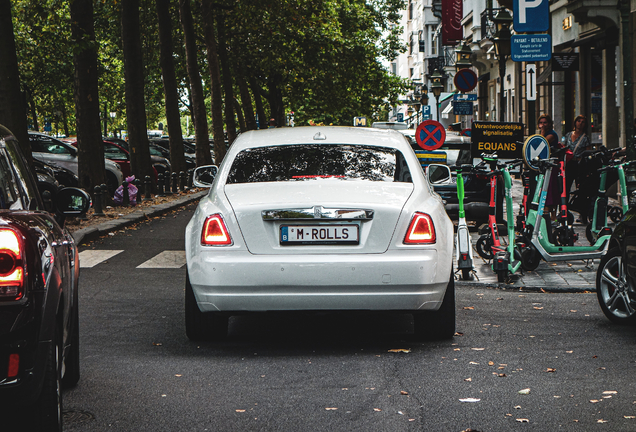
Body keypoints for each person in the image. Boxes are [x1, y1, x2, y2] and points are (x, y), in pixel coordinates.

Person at [564, 115, 592, 221]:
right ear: (575, 122)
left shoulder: (585, 138)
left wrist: (588, 168)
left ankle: (582, 213)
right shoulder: (568, 135)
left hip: (580, 165)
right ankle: (564, 210)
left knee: (581, 189)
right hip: (569, 164)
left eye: (583, 122)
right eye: (579, 121)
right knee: (566, 187)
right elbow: (563, 147)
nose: (580, 123)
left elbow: (588, 153)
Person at [538, 115, 561, 220]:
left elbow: (542, 143)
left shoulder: (551, 134)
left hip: (551, 165)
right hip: (544, 164)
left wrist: (542, 132)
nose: (543, 125)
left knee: (551, 188)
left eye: (545, 122)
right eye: (541, 123)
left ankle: (551, 214)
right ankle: (548, 212)